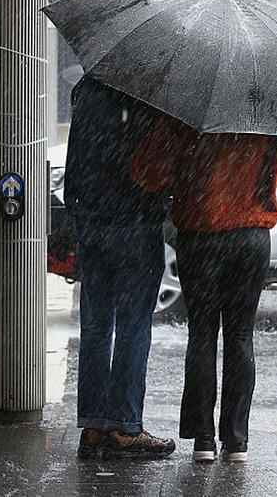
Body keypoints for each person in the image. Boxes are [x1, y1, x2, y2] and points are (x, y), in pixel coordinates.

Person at [131, 114, 277, 463]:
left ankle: (203, 439)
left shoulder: (187, 110)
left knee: (201, 334)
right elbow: (275, 175)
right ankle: (236, 441)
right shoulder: (263, 113)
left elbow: (149, 173)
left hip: (200, 232)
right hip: (251, 233)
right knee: (240, 336)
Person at [65, 76, 177, 460]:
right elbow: (154, 166)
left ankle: (94, 427)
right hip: (134, 221)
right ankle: (125, 428)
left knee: (95, 325)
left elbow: (78, 160)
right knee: (133, 325)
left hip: (90, 219)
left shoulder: (86, 89)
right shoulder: (150, 94)